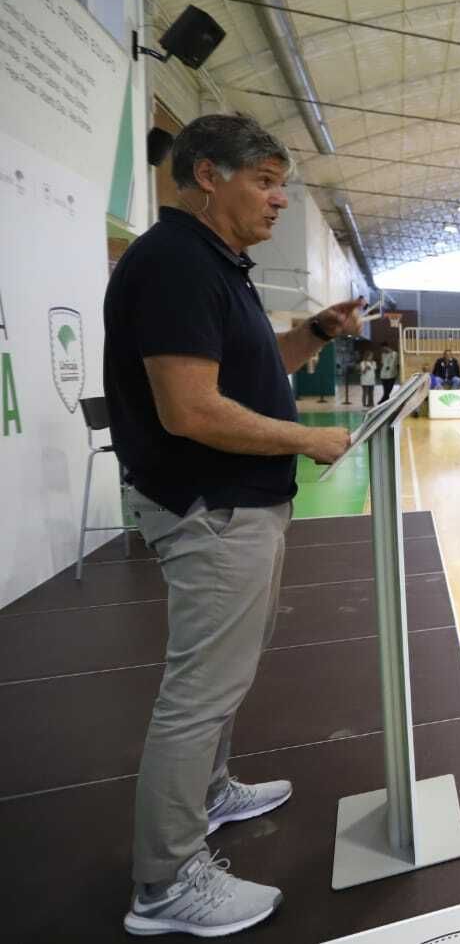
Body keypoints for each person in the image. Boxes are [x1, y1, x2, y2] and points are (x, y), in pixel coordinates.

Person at [105, 113, 363, 936]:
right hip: (212, 507)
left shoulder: (215, 265)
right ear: (207, 175)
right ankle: (167, 883)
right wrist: (308, 438)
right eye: (264, 181)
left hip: (237, 505)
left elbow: (254, 368)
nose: (280, 199)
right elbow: (190, 410)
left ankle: (209, 797)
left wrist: (316, 333)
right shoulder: (178, 264)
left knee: (225, 676)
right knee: (200, 691)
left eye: (282, 183)